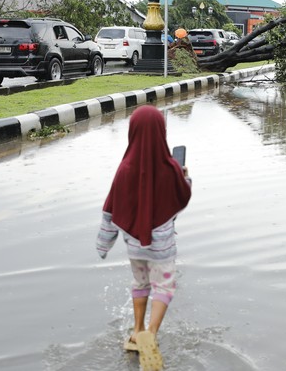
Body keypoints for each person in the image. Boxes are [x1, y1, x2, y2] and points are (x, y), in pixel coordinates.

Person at [96, 105, 192, 371]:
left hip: (134, 245)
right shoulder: (170, 168)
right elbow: (182, 198)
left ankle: (137, 331)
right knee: (164, 286)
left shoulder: (125, 168)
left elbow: (110, 206)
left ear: (133, 131)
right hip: (162, 247)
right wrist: (185, 178)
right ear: (162, 132)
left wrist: (104, 243)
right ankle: (151, 333)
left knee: (140, 282)